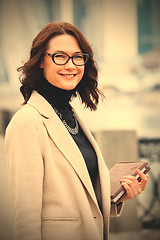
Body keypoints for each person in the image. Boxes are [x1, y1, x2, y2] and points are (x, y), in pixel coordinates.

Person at [5, 22, 149, 240]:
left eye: (78, 56)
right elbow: (26, 221)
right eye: (60, 56)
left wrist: (117, 197)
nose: (70, 65)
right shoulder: (27, 122)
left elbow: (72, 205)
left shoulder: (71, 116)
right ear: (41, 60)